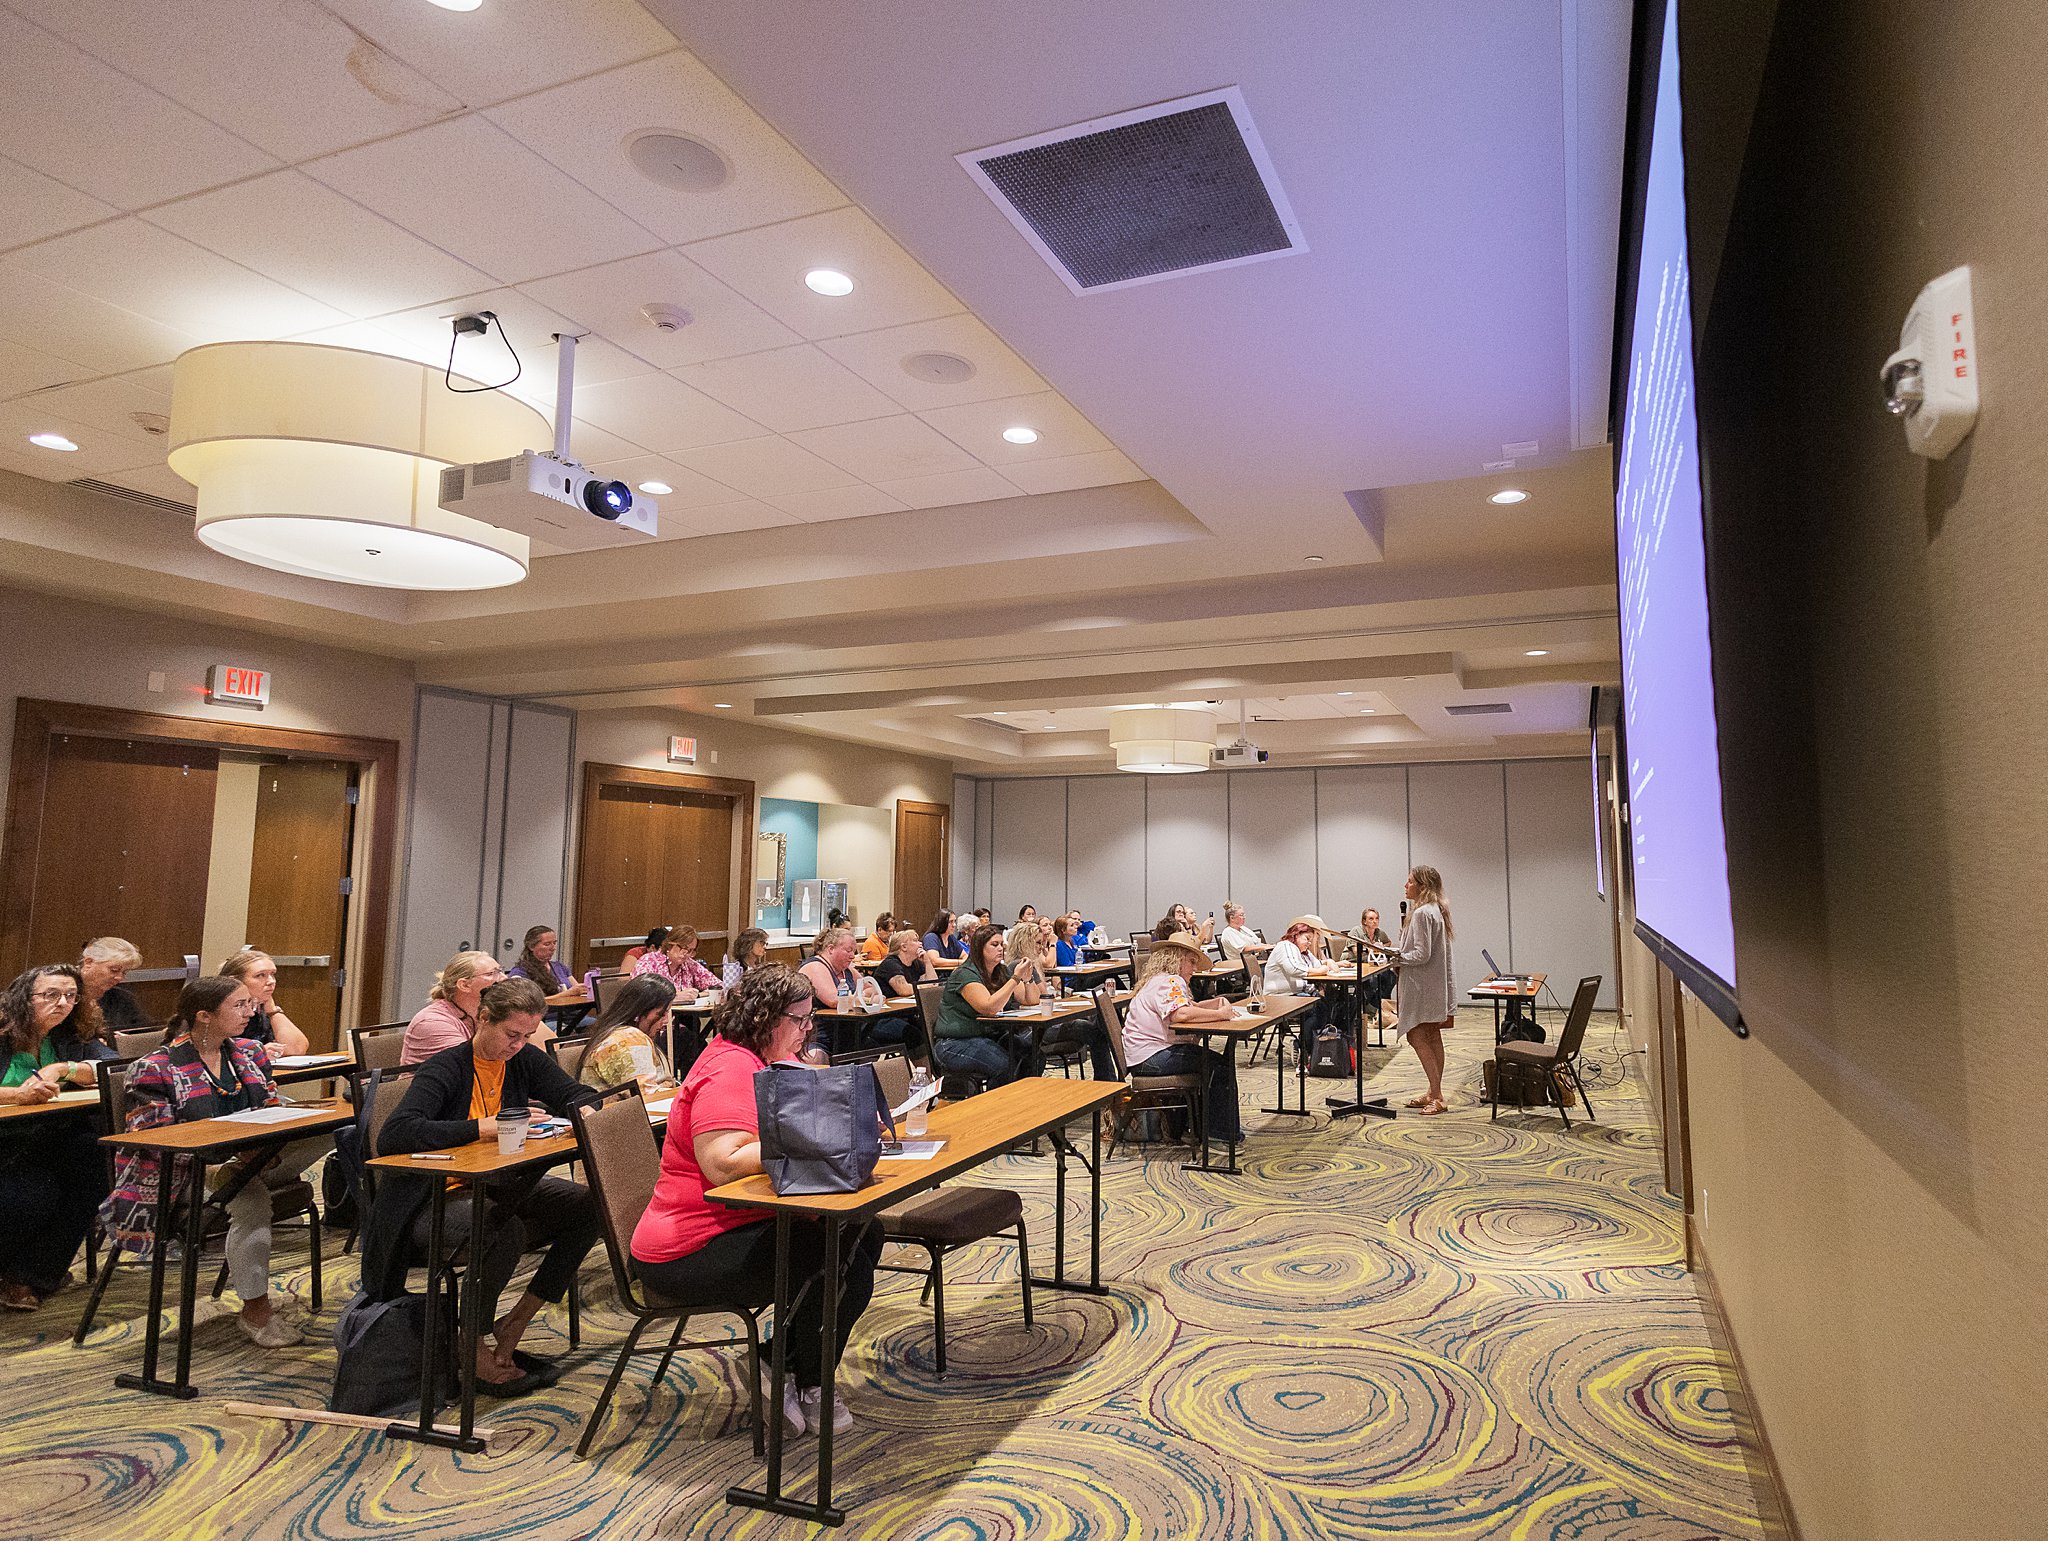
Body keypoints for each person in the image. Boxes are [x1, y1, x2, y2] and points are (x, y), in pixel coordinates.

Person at [631, 965, 883, 1438]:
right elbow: (722, 1163)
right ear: (766, 1018)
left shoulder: (757, 1060)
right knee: (834, 1257)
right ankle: (790, 1369)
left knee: (864, 1231)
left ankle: (792, 1369)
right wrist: (814, 1136)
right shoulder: (729, 1068)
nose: (809, 1029)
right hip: (689, 1245)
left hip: (734, 1224)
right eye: (801, 1020)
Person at [370, 978, 602, 1395]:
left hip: (495, 1184)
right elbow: (396, 1134)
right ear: (483, 1019)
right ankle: (470, 1342)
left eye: (527, 1036)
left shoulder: (523, 1059)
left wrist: (582, 1106)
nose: (518, 1044)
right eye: (511, 1034)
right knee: (502, 1229)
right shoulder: (447, 1067)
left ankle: (517, 1320)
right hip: (431, 1198)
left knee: (591, 1205)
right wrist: (483, 1127)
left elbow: (576, 1093)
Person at [101, 977, 314, 1346]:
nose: (251, 1012)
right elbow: (154, 1143)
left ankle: (253, 1166)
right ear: (203, 1015)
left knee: (333, 1131)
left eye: (252, 1004)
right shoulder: (155, 1068)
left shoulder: (249, 1053)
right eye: (239, 1005)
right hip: (181, 1174)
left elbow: (268, 1108)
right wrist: (218, 1164)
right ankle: (256, 1312)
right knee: (252, 1202)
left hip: (246, 1158)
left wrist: (263, 1143)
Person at [0, 965, 113, 1310]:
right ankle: (15, 1273)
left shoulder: (67, 1037)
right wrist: (15, 1096)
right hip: (6, 1141)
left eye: (70, 996)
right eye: (51, 995)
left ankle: (30, 1276)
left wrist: (62, 1068)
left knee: (96, 1167)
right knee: (35, 1194)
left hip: (47, 1135)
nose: (62, 1003)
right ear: (24, 998)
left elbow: (114, 1064)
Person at [1121, 933, 1241, 1143]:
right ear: (1176, 959)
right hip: (1151, 1059)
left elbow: (1188, 1008)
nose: (1194, 969)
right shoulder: (1170, 981)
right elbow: (1180, 1015)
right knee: (1220, 1067)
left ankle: (1200, 1128)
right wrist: (1221, 1014)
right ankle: (1219, 1134)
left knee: (1213, 1063)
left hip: (1143, 1057)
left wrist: (1215, 1003)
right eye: (1191, 962)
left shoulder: (1160, 980)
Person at [932, 923, 1043, 1090]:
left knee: (1034, 1055)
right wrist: (1015, 979)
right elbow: (989, 1007)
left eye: (1001, 945)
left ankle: (1021, 1100)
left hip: (987, 1036)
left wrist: (1027, 979)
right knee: (1004, 1065)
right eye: (994, 945)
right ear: (979, 948)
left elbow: (1031, 1000)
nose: (1000, 949)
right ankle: (997, 1109)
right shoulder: (964, 974)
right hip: (954, 1043)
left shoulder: (1001, 971)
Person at [1394, 866, 1456, 1115]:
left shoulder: (1422, 913)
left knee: (1416, 1037)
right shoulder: (1435, 910)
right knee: (1431, 1036)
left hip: (1422, 986)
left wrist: (1396, 957)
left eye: (1409, 882)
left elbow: (1421, 954)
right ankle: (1433, 1091)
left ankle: (1438, 1095)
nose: (1405, 886)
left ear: (1422, 886)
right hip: (1432, 985)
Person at [578, 975, 679, 1098]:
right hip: (619, 1114)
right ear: (639, 1011)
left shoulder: (616, 1032)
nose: (666, 1021)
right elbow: (645, 1095)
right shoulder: (628, 1039)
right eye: (662, 1014)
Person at [402, 951, 505, 1066]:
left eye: (500, 971)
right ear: (464, 985)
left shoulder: (484, 1013)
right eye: (491, 973)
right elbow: (474, 1065)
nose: (504, 978)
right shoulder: (433, 1022)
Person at [216, 949, 312, 1056]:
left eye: (272, 974)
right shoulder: (219, 1010)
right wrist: (256, 1052)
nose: (271, 981)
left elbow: (297, 1050)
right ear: (234, 981)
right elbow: (211, 1050)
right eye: (260, 975)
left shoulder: (262, 1008)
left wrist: (273, 1011)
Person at [79, 937, 148, 1034]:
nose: (119, 977)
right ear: (89, 962)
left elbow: (144, 1031)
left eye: (124, 972)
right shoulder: (65, 994)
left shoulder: (122, 996)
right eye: (114, 970)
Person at [633, 926, 718, 1000]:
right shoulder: (649, 961)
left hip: (685, 1015)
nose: (686, 954)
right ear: (670, 945)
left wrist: (697, 995)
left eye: (690, 951)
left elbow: (718, 987)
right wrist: (674, 997)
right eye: (683, 948)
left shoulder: (690, 964)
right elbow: (640, 994)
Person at [1346, 908, 1399, 1026]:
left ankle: (1383, 1007)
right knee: (1372, 980)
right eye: (1371, 919)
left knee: (1390, 976)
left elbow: (1388, 942)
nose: (1374, 921)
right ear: (1364, 921)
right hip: (1354, 964)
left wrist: (1380, 946)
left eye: (1376, 919)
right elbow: (1356, 952)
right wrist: (1372, 948)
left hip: (1372, 965)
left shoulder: (1379, 932)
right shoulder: (1356, 931)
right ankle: (1373, 1007)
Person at [798, 926, 860, 1009]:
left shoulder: (846, 970)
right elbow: (834, 1001)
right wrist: (864, 999)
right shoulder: (815, 966)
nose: (852, 956)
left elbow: (873, 990)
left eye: (854, 951)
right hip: (820, 1020)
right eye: (848, 950)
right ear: (831, 949)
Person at [508, 925, 575, 992]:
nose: (553, 948)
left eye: (554, 943)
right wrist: (566, 994)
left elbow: (576, 989)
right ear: (531, 946)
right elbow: (519, 998)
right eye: (547, 944)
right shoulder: (520, 971)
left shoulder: (560, 967)